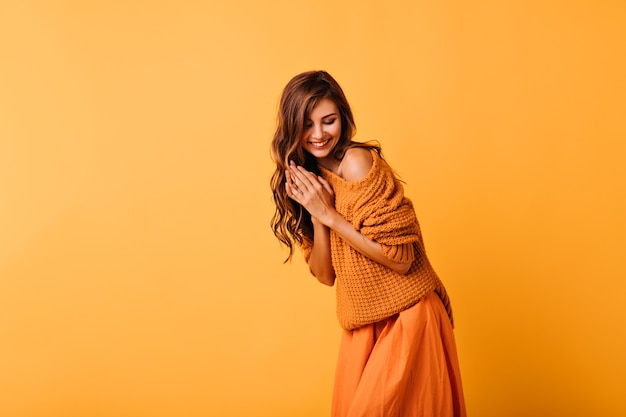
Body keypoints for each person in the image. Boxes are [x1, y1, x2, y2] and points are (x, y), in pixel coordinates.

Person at [270, 70, 466, 417]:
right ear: (292, 128)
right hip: (363, 327)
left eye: (328, 121)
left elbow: (401, 258)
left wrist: (330, 215)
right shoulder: (304, 180)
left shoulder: (358, 163)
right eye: (307, 124)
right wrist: (316, 215)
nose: (318, 134)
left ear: (342, 119)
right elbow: (325, 275)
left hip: (407, 317)